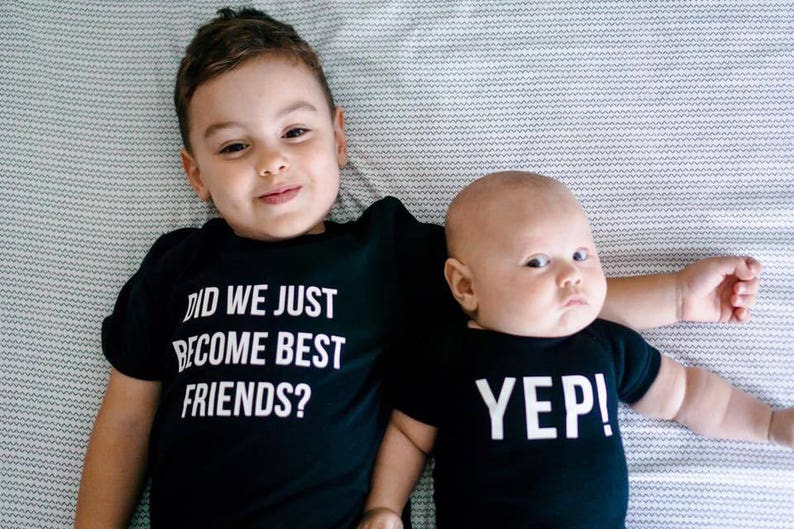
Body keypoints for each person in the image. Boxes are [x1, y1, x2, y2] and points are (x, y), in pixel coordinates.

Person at [74, 8, 762, 529]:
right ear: (194, 173)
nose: (271, 160)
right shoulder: (177, 265)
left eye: (295, 131)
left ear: (339, 138)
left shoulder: (384, 250)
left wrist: (676, 295)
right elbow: (127, 419)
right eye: (233, 146)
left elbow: (533, 297)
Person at [357, 171, 793, 529]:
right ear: (466, 285)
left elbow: (689, 396)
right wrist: (385, 508)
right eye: (538, 262)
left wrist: (769, 423)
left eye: (582, 254)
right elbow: (409, 436)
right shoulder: (449, 353)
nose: (572, 275)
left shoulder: (602, 343)